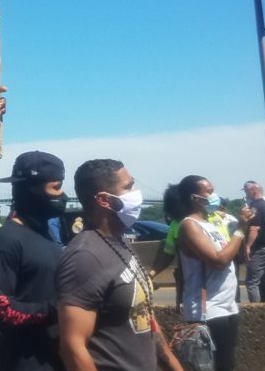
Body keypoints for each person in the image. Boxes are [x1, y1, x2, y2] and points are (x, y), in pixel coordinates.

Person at [58, 159, 181, 371]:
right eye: (128, 186)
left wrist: (173, 365)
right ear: (105, 200)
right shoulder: (84, 257)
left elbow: (145, 316)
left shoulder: (119, 242)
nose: (136, 193)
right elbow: (72, 348)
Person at [0, 151, 67, 371]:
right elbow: (3, 310)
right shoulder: (5, 241)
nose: (63, 195)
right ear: (32, 189)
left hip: (55, 358)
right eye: (56, 187)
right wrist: (59, 309)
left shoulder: (47, 235)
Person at [176, 175, 247, 371]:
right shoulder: (190, 225)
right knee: (211, 366)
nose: (214, 195)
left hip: (228, 304)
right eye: (208, 191)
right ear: (194, 198)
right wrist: (240, 231)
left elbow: (233, 254)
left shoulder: (214, 224)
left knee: (227, 363)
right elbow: (219, 261)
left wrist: (239, 231)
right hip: (207, 309)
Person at [241, 181, 265, 302]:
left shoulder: (255, 207)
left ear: (254, 191)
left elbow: (254, 228)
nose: (246, 195)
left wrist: (247, 246)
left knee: (252, 283)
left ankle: (256, 309)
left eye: (247, 192)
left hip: (259, 249)